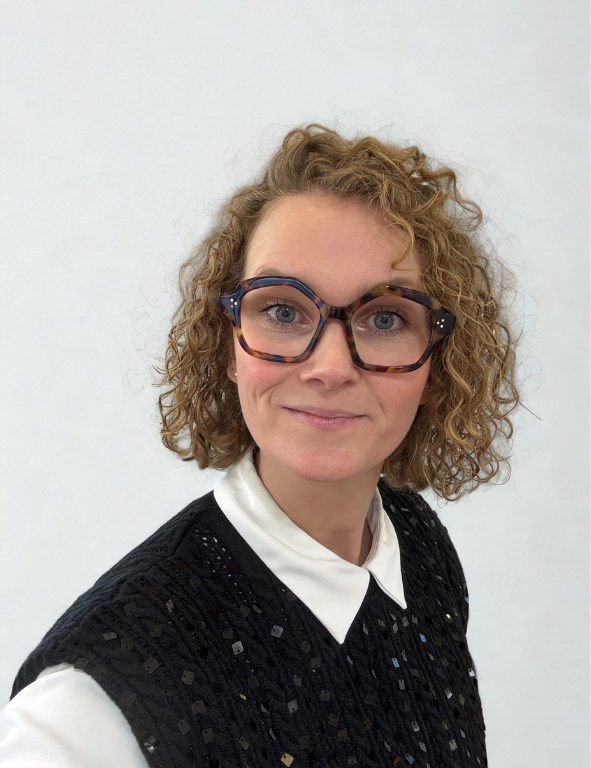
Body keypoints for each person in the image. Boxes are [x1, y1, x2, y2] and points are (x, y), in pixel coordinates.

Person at [1, 124, 519, 767]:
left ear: (438, 360)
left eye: (385, 318)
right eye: (283, 311)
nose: (330, 367)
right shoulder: (88, 709)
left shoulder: (419, 551)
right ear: (228, 344)